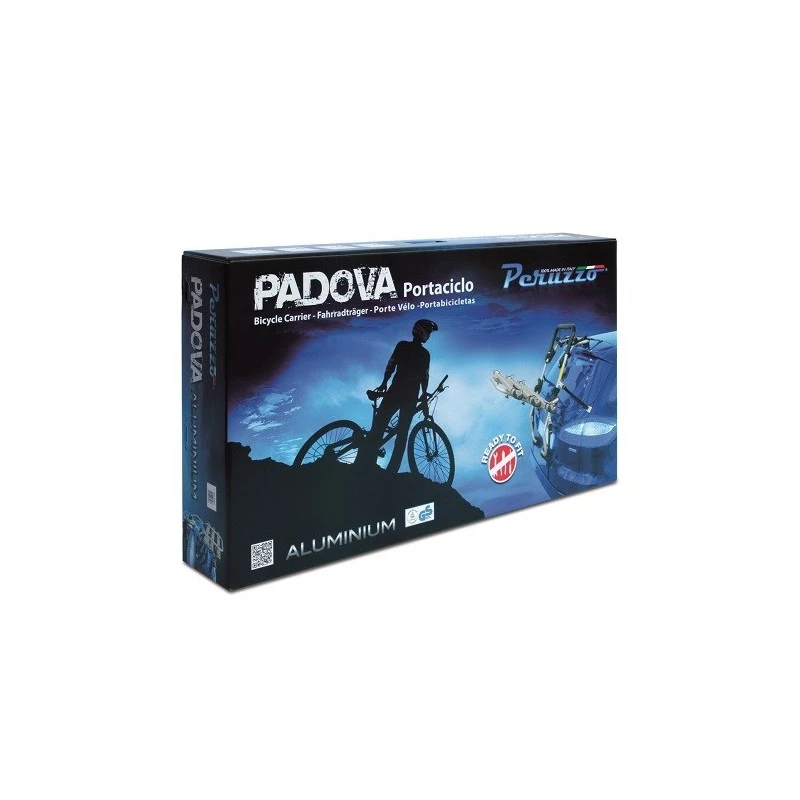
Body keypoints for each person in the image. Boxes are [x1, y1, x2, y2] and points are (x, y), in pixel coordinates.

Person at [356, 319, 438, 472]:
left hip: (395, 391)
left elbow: (391, 365)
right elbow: (424, 376)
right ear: (423, 332)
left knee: (379, 427)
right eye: (429, 333)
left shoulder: (403, 345)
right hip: (409, 397)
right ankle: (391, 471)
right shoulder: (424, 354)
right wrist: (424, 394)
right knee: (402, 434)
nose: (429, 336)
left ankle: (367, 462)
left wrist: (384, 383)